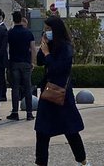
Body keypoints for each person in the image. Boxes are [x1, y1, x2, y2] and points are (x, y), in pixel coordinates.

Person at [33, 15, 89, 166]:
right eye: (45, 29)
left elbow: (58, 69)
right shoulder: (49, 44)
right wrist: (43, 47)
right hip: (48, 93)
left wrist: (47, 54)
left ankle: (82, 161)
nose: (47, 32)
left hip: (61, 94)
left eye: (49, 29)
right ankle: (41, 163)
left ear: (56, 30)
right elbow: (39, 62)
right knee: (42, 131)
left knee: (70, 130)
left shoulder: (65, 47)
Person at [7, 10, 35, 120]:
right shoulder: (28, 33)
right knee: (27, 88)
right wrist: (32, 62)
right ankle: (29, 113)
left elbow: (6, 47)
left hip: (14, 62)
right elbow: (33, 48)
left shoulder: (10, 33)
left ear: (14, 20)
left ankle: (15, 112)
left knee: (15, 88)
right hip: (26, 62)